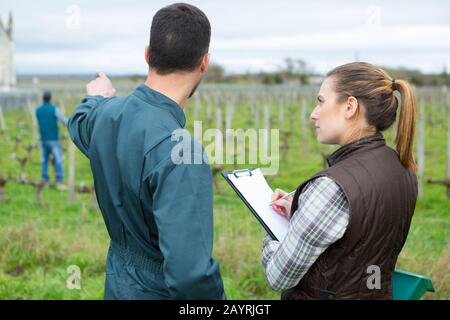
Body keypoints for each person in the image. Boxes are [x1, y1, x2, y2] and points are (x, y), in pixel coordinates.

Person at [68, 3, 225, 300]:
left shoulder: (104, 116)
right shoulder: (182, 152)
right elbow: (190, 277)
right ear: (204, 62)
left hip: (117, 281)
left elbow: (79, 122)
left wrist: (96, 98)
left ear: (147, 54)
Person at [264, 62, 418, 299]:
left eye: (321, 101)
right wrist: (301, 212)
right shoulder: (403, 168)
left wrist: (271, 226)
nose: (313, 114)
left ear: (349, 106)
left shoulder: (331, 188)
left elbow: (278, 276)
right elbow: (358, 242)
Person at [35, 90, 68, 190]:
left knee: (44, 160)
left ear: (42, 98)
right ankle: (59, 181)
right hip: (53, 138)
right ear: (51, 98)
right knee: (58, 159)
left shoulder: (38, 110)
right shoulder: (54, 109)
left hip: (43, 139)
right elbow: (63, 120)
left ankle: (45, 181)